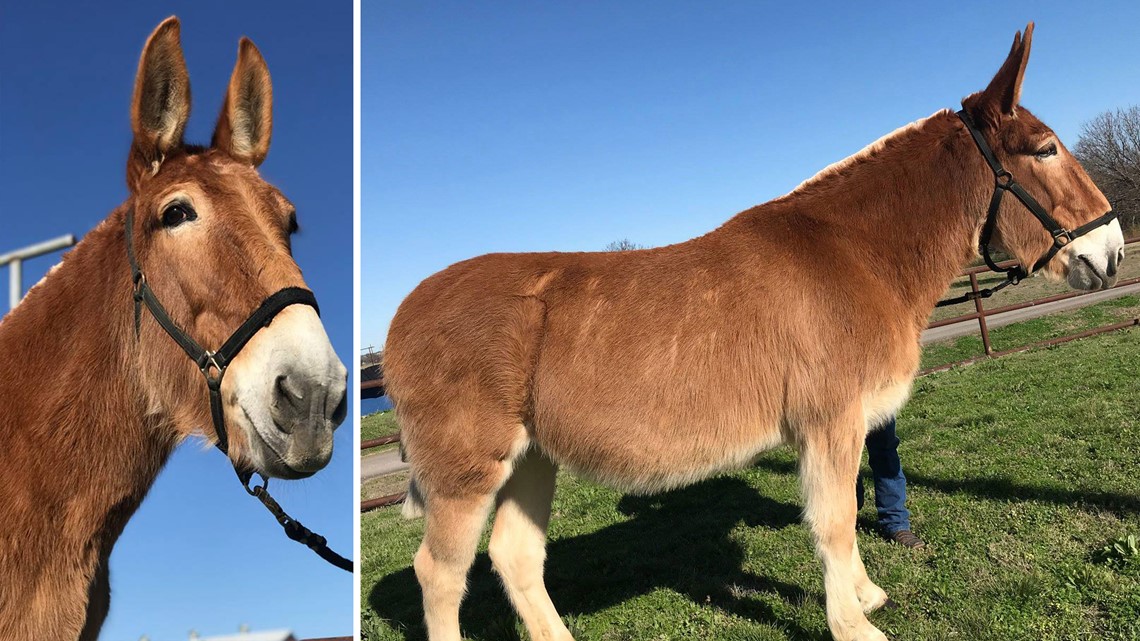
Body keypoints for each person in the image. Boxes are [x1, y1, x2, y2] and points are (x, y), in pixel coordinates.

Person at [857, 416, 926, 549]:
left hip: (875, 398)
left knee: (884, 449)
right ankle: (847, 511)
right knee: (842, 452)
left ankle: (896, 522)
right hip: (840, 401)